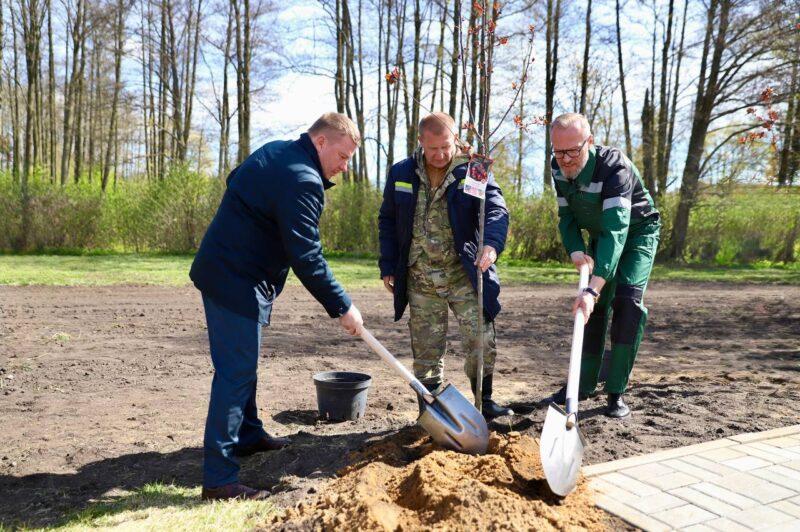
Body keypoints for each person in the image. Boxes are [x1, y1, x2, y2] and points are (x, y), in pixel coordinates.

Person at [189, 113, 364, 500]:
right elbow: (307, 256)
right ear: (320, 142)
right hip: (235, 279)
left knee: (242, 364)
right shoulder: (303, 179)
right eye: (343, 155)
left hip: (226, 270)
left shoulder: (277, 151)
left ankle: (248, 435)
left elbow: (235, 179)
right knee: (235, 373)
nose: (345, 166)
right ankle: (219, 479)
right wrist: (343, 306)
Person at [378, 112, 513, 420]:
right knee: (426, 349)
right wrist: (387, 264)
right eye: (433, 148)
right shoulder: (402, 172)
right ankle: (431, 409)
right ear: (420, 142)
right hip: (420, 276)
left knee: (481, 336)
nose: (440, 155)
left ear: (456, 140)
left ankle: (485, 402)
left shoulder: (473, 169)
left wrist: (491, 245)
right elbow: (387, 219)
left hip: (464, 274)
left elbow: (495, 209)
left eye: (446, 147)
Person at [547, 112, 660, 418]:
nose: (566, 160)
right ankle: (581, 386)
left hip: (636, 233)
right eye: (558, 152)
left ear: (590, 143)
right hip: (601, 234)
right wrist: (574, 251)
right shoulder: (558, 167)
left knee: (626, 303)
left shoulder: (615, 168)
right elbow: (567, 217)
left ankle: (615, 392)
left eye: (573, 151)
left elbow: (616, 230)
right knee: (591, 314)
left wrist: (593, 290)